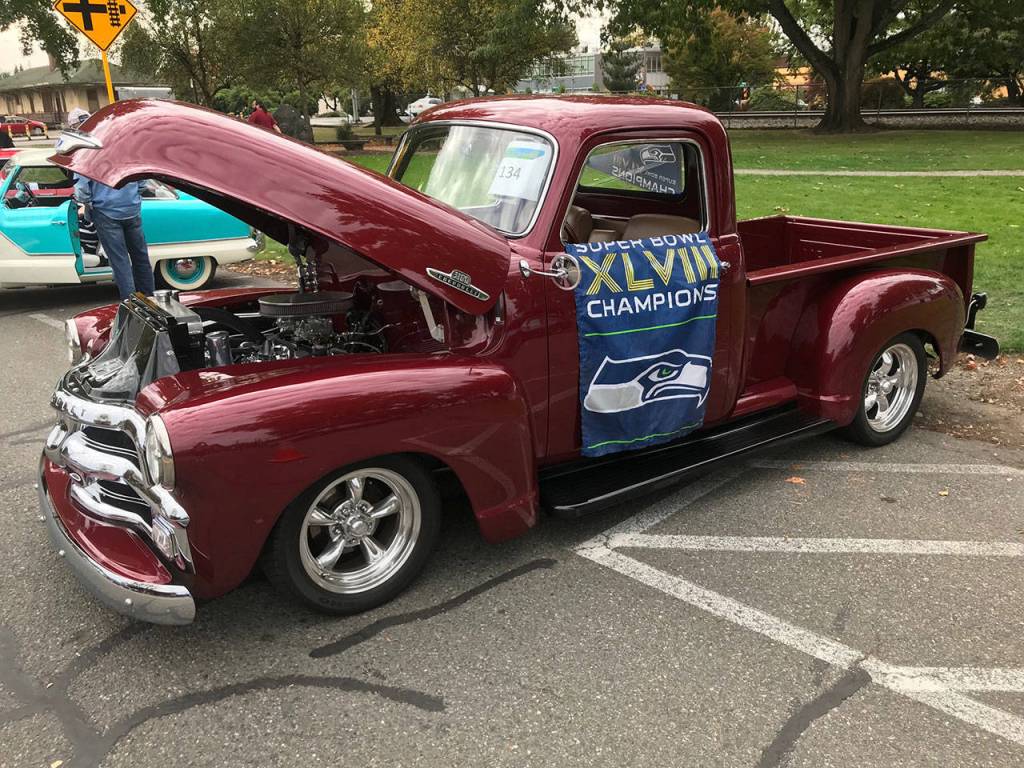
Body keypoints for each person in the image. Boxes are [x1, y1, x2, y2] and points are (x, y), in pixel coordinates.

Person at [71, 112, 153, 299]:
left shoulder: (86, 150)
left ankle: (132, 303)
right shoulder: (125, 148)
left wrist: (89, 203)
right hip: (131, 209)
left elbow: (82, 190)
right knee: (140, 257)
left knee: (120, 261)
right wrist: (131, 195)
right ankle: (150, 297)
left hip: (106, 212)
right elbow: (142, 181)